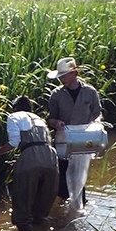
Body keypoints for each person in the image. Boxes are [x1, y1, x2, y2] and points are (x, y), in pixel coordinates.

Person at [0, 96, 59, 231]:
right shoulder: (39, 119)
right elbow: (40, 143)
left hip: (31, 157)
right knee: (42, 207)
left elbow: (14, 143)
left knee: (23, 202)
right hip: (51, 158)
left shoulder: (14, 116)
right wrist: (21, 161)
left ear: (15, 108)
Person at [45, 57, 103, 207]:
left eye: (64, 76)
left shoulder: (90, 92)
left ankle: (79, 205)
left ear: (74, 73)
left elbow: (97, 113)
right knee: (63, 176)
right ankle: (64, 205)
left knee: (80, 175)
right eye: (60, 77)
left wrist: (96, 124)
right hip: (63, 140)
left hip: (84, 141)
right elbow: (50, 119)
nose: (61, 79)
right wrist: (56, 123)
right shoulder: (56, 95)